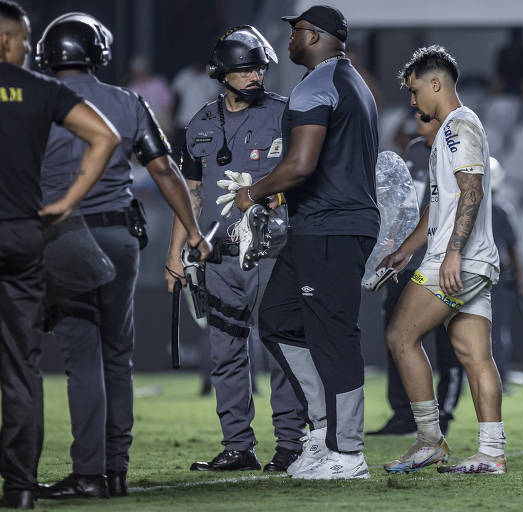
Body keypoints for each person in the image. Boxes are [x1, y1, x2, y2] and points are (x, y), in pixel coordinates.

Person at [34, 13, 211, 501]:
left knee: (81, 355)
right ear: (99, 53)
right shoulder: (129, 101)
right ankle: (115, 470)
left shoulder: (39, 100)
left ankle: (89, 472)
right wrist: (193, 231)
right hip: (119, 238)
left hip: (64, 237)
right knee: (117, 356)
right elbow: (166, 171)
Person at [232, 5, 379, 480]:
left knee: (333, 335)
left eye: (295, 32)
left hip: (331, 227)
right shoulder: (350, 81)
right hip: (319, 226)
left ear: (313, 35)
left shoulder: (317, 84)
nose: (290, 41)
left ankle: (348, 452)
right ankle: (323, 431)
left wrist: (252, 193)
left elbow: (301, 165)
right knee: (277, 320)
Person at [165, 25, 306, 475]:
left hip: (274, 251)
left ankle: (290, 445)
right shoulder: (200, 124)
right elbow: (190, 194)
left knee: (280, 349)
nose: (255, 77)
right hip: (218, 257)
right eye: (245, 70)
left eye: (260, 69)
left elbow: (305, 177)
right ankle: (238, 446)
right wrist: (175, 254)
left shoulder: (287, 114)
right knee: (224, 353)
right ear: (222, 73)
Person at [0, 2, 120, 508]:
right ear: (8, 40)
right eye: (26, 40)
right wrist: (68, 202)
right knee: (20, 366)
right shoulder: (41, 89)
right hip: (23, 235)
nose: (30, 48)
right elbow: (104, 137)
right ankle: (21, 488)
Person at [379, 45, 507, 475]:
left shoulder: (458, 127)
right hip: (471, 260)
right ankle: (492, 452)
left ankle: (430, 440)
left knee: (400, 335)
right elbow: (440, 206)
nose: (413, 101)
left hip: (456, 260)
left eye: (415, 91)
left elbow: (472, 191)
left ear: (436, 83)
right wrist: (405, 251)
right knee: (474, 355)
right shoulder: (452, 132)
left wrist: (451, 253)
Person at [367, 112, 465, 437]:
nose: (416, 127)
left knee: (454, 343)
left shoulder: (456, 151)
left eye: (422, 120)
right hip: (408, 262)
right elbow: (403, 204)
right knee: (398, 336)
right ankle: (404, 414)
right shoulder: (413, 151)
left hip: (442, 260)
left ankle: (445, 414)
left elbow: (454, 206)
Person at [488, 157, 523, 394]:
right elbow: (513, 249)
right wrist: (521, 280)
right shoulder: (502, 210)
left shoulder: (464, 206)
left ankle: (471, 378)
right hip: (496, 275)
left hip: (473, 273)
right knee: (498, 331)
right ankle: (499, 379)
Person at [493, 28, 523, 98]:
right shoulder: (503, 52)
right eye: (515, 38)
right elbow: (498, 73)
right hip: (505, 80)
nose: (516, 41)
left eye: (518, 38)